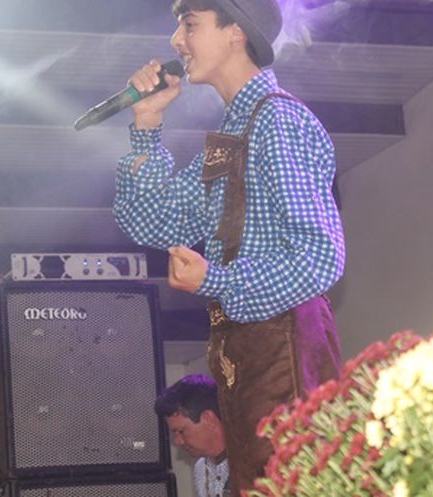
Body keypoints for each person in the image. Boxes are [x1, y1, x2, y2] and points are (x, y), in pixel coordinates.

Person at [113, 0, 344, 492]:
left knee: (287, 483)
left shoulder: (277, 119)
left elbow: (320, 257)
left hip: (284, 341)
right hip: (244, 351)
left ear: (236, 32)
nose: (176, 41)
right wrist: (147, 123)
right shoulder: (233, 131)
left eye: (189, 25)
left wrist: (215, 279)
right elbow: (153, 222)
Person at [155, 374, 230, 497]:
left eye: (181, 431)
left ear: (208, 419)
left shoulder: (255, 463)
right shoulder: (201, 468)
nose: (177, 441)